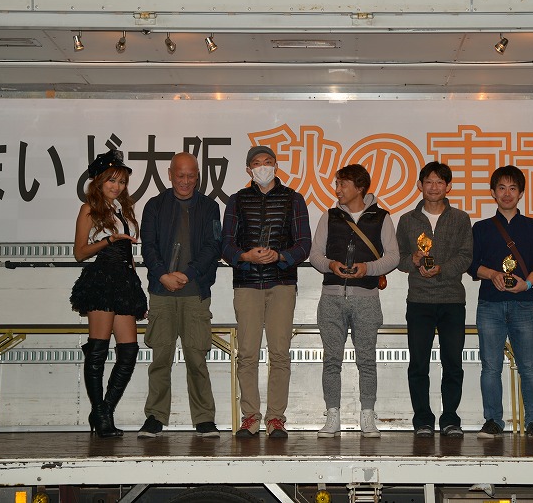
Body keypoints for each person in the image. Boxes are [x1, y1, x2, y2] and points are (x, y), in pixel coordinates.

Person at [221, 145, 311, 438]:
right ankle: (250, 417)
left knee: (280, 353)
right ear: (249, 169)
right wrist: (245, 256)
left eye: (268, 162)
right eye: (257, 163)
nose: (263, 167)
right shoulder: (237, 200)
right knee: (247, 353)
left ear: (276, 166)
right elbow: (226, 245)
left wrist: (281, 256)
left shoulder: (293, 199)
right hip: (247, 283)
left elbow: (304, 244)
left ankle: (275, 419)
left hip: (281, 283)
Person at [309, 164, 400, 438]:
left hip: (367, 299)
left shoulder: (381, 217)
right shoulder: (330, 216)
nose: (337, 189)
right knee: (331, 360)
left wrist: (367, 268)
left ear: (360, 187)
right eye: (337, 184)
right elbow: (315, 255)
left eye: (343, 184)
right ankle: (332, 415)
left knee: (367, 361)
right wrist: (331, 265)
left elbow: (393, 257)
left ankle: (368, 416)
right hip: (331, 298)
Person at [137, 152, 222, 438]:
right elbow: (148, 246)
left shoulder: (209, 207)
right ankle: (155, 417)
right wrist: (163, 274)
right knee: (161, 357)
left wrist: (189, 273)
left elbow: (213, 246)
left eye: (191, 176)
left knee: (197, 358)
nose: (185, 181)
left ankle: (204, 419)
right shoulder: (154, 206)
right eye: (180, 175)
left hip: (195, 292)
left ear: (198, 176)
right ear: (170, 174)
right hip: (161, 293)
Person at [468, 165, 533, 439]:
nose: (507, 193)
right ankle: (493, 420)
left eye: (513, 188)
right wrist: (492, 275)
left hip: (523, 304)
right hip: (490, 304)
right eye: (501, 188)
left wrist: (526, 284)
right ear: (493, 192)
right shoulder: (481, 228)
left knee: (529, 366)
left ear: (521, 193)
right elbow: (471, 265)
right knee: (490, 367)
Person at [70, 148, 147, 438]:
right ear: (99, 181)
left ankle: (104, 410)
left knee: (129, 352)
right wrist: (109, 240)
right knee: (98, 350)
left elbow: (128, 255)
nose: (117, 186)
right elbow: (80, 253)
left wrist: (137, 291)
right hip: (102, 280)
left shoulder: (122, 210)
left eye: (122, 181)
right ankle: (102, 416)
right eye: (112, 180)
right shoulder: (89, 209)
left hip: (124, 281)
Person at [396, 161, 473, 438]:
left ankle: (450, 418)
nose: (434, 187)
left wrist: (441, 269)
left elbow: (466, 256)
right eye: (428, 181)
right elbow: (399, 258)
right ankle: (423, 420)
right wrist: (414, 260)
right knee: (418, 364)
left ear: (448, 186)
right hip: (419, 300)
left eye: (440, 182)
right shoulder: (407, 220)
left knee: (453, 363)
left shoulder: (460, 218)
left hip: (452, 300)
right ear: (420, 185)